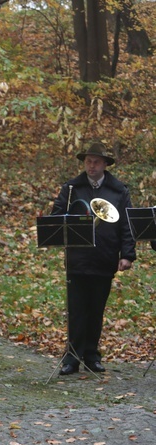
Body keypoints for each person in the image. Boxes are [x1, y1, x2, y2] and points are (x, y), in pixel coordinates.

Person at [51, 142, 136, 375]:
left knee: (96, 310)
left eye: (96, 161)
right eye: (88, 161)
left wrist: (127, 255)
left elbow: (127, 225)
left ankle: (91, 355)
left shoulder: (119, 191)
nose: (91, 165)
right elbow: (57, 217)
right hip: (78, 259)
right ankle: (72, 358)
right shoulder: (71, 189)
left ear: (105, 164)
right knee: (76, 310)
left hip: (104, 257)